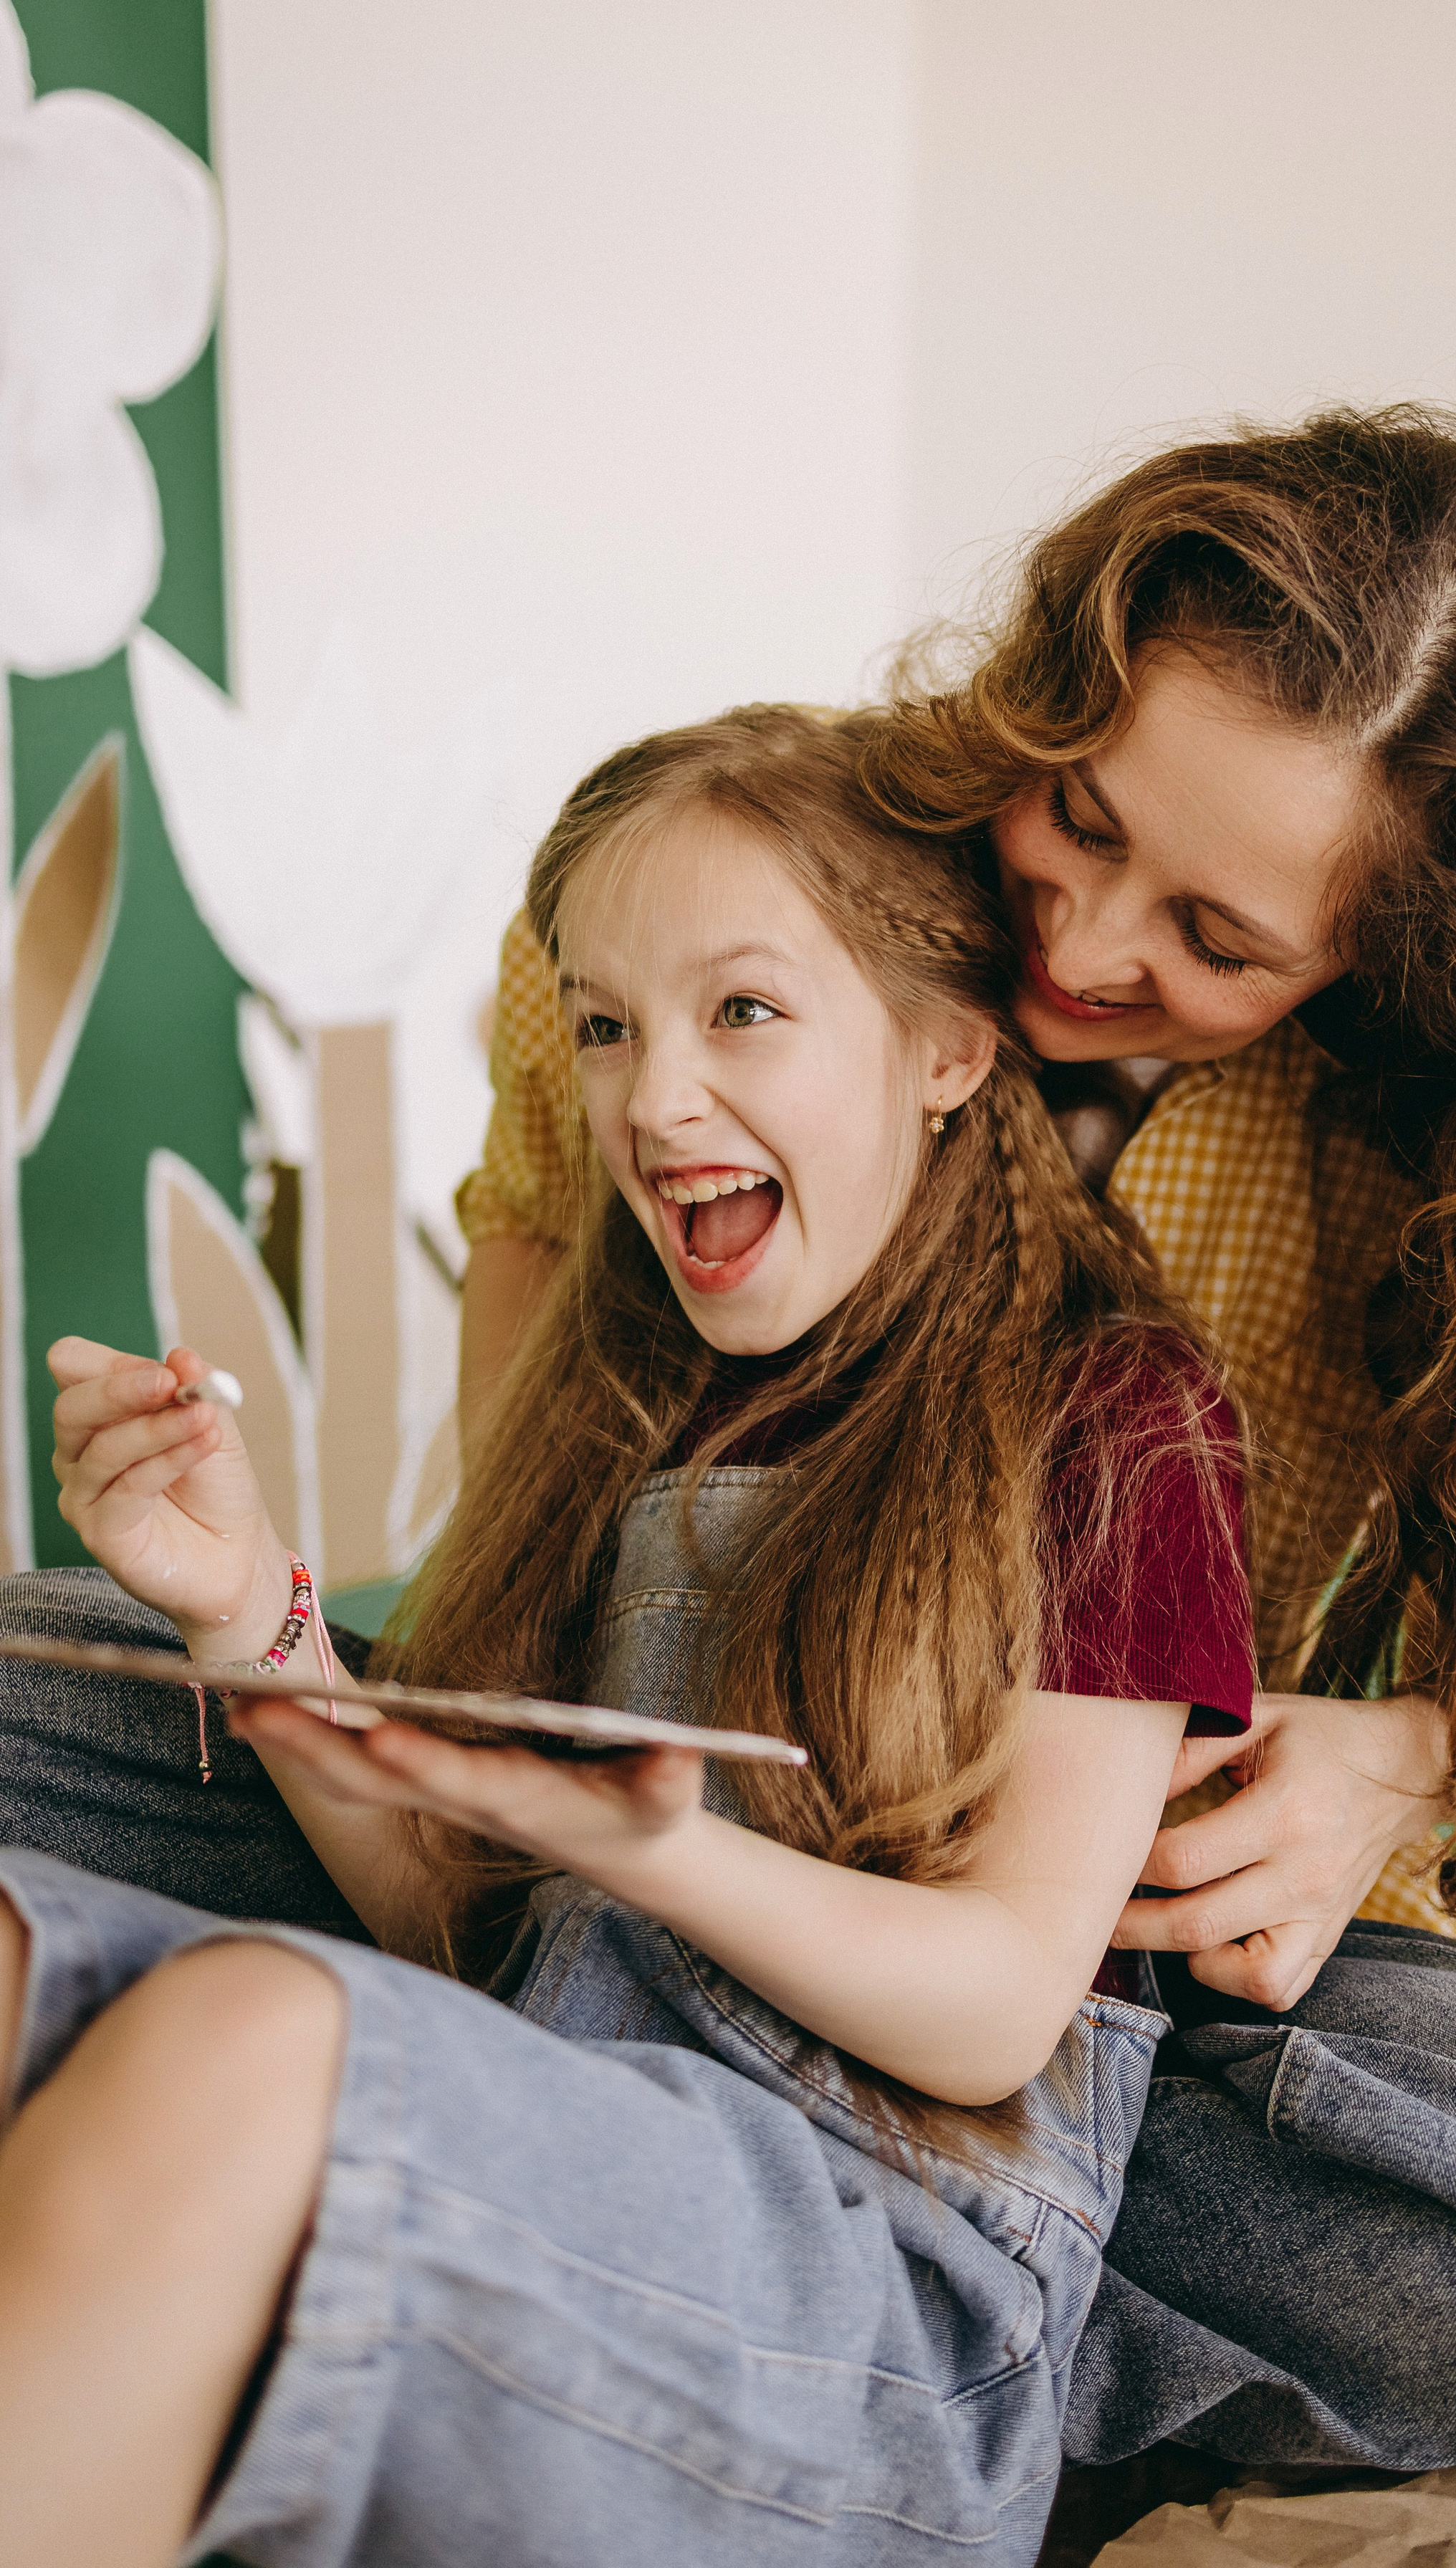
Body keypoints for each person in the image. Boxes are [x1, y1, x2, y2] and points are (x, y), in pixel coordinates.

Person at [0, 418, 1456, 2496]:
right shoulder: (701, 898)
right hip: (615, 1879)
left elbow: (1064, 1952)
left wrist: (1399, 1753)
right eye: (1083, 817)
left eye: (1219, 939)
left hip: (1023, 1928)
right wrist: (275, 1631)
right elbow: (541, 1656)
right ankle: (533, 2218)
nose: (1087, 950)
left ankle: (803, 2352)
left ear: (1370, 978)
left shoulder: (1284, 1284)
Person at [3, 707, 1253, 2562]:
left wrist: (653, 1857)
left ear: (943, 1048)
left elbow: (999, 2008)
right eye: (606, 1023)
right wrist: (244, 1603)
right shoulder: (616, 1390)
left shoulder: (1117, 1415)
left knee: (248, 2038)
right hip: (582, 2128)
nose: (652, 1096)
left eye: (741, 1011)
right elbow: (468, 1932)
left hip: (886, 2306)